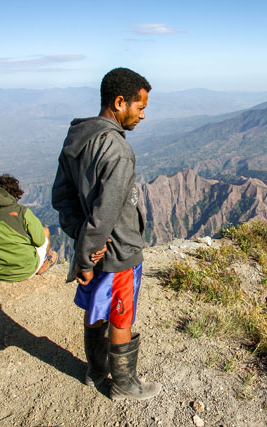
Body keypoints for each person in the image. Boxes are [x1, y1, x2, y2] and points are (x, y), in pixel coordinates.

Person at [51, 67, 160, 401]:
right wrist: (88, 252)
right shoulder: (117, 150)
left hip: (96, 248)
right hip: (118, 251)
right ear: (119, 102)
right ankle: (124, 384)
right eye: (139, 107)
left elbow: (62, 197)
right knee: (120, 313)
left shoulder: (76, 138)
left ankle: (95, 371)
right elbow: (107, 211)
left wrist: (81, 237)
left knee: (97, 307)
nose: (143, 115)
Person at [0, 174, 57, 282]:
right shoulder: (21, 211)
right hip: (26, 270)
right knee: (45, 231)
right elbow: (39, 241)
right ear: (14, 194)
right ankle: (42, 264)